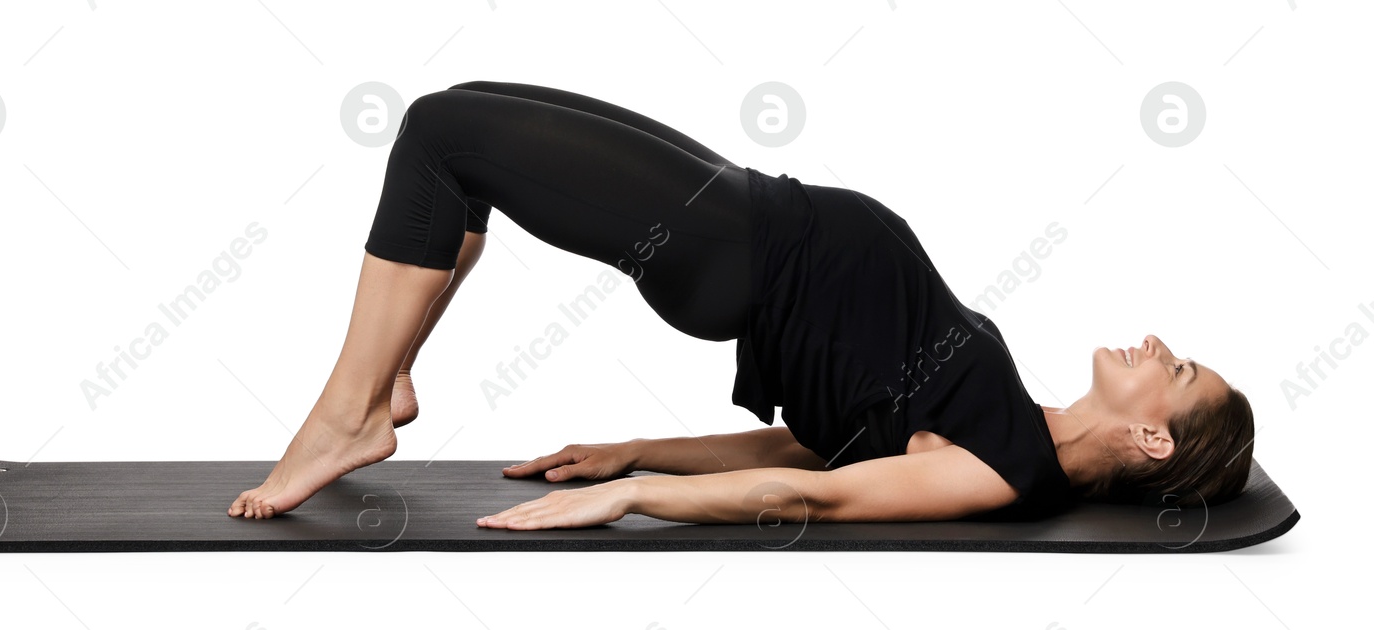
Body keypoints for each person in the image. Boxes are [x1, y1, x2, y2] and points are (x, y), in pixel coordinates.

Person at [227, 81, 1256, 528]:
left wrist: (633, 499)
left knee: (441, 134)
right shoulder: (1011, 425)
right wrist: (632, 450)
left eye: (1174, 372)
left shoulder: (998, 475)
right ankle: (387, 380)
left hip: (733, 253)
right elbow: (817, 450)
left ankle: (351, 413)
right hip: (749, 208)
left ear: (1152, 441)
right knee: (464, 121)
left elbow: (817, 500)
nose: (1158, 347)